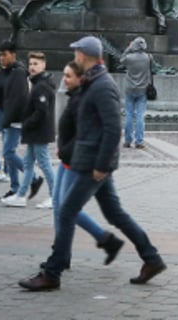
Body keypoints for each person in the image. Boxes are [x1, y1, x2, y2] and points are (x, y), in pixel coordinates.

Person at [18, 36, 166, 291]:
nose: (74, 57)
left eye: (76, 53)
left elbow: (112, 129)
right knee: (114, 214)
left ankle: (53, 273)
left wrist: (102, 165)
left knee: (66, 211)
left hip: (92, 164)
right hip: (90, 160)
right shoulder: (91, 83)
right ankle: (151, 258)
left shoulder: (102, 86)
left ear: (85, 56)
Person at [52, 60, 126, 261]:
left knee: (66, 209)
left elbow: (88, 133)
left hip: (76, 161)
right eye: (63, 75)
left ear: (80, 78)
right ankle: (63, 252)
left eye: (68, 76)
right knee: (61, 207)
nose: (64, 80)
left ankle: (65, 253)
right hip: (68, 157)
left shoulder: (83, 99)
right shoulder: (76, 96)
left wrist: (66, 149)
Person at [4, 52, 57, 207]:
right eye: (31, 64)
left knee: (44, 163)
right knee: (28, 163)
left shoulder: (41, 86)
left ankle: (55, 196)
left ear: (43, 65)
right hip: (36, 132)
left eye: (36, 64)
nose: (32, 67)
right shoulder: (38, 83)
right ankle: (21, 195)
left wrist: (27, 124)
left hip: (39, 132)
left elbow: (41, 111)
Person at [0, 42, 29, 199]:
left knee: (8, 152)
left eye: (5, 54)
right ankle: (14, 187)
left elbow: (19, 97)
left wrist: (11, 117)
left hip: (10, 116)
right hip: (1, 112)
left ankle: (32, 178)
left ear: (13, 54)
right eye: (0, 55)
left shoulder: (18, 72)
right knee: (8, 152)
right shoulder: (5, 71)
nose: (1, 58)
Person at [120, 38, 152, 150]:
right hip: (142, 90)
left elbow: (121, 60)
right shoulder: (148, 57)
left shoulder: (129, 58)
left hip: (129, 89)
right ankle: (139, 141)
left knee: (129, 115)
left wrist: (129, 48)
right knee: (140, 116)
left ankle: (127, 141)